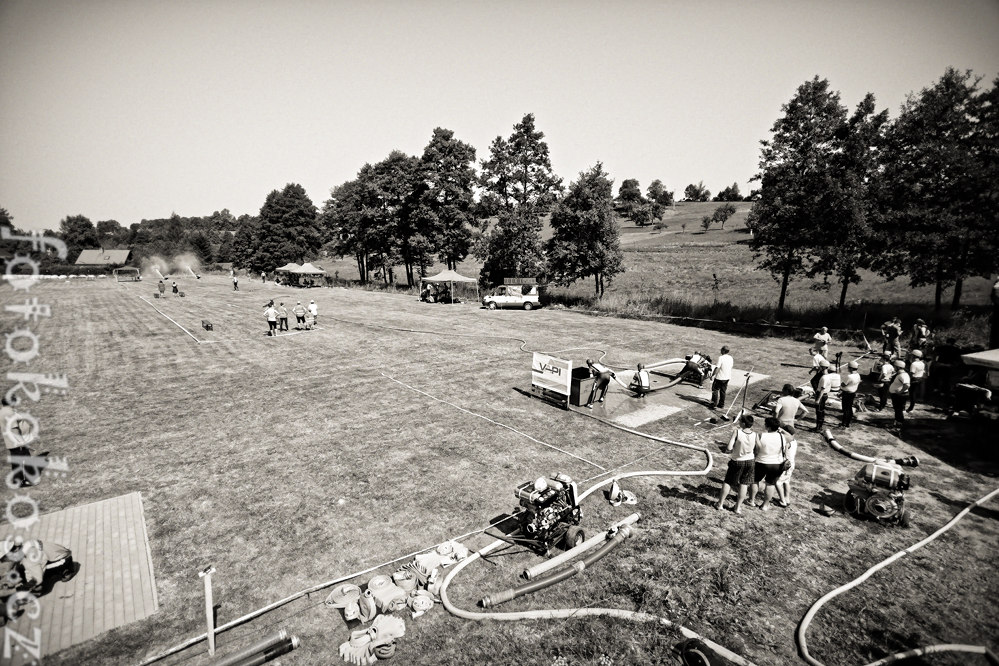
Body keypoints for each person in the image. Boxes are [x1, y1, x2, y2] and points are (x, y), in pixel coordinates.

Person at [716, 413, 757, 513]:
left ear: (743, 423)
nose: (738, 422)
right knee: (744, 484)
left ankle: (720, 504)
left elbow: (729, 448)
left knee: (728, 482)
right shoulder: (755, 434)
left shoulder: (737, 432)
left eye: (740, 421)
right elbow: (757, 448)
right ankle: (737, 508)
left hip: (737, 461)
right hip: (750, 461)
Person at [2, 396, 43, 488]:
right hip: (18, 443)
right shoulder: (10, 413)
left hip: (11, 442)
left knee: (17, 462)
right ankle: (27, 481)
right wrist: (24, 443)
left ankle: (17, 481)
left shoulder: (2, 412)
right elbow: (14, 429)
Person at [753, 416, 787, 510]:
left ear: (767, 426)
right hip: (777, 463)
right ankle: (765, 505)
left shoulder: (761, 435)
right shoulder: (782, 437)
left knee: (755, 481)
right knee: (770, 484)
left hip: (761, 461)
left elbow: (756, 449)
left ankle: (751, 500)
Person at [776, 424, 798, 506]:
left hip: (785, 464)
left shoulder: (787, 442)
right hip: (791, 464)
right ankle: (787, 498)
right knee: (786, 481)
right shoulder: (794, 441)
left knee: (777, 482)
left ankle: (782, 501)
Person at [888, 359, 910, 429]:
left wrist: (900, 391)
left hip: (900, 395)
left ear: (898, 367)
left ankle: (899, 424)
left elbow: (907, 385)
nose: (893, 368)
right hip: (898, 394)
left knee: (898, 410)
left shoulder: (903, 375)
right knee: (897, 409)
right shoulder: (901, 374)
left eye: (894, 366)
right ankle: (898, 422)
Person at [813, 361, 834, 431]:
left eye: (820, 366)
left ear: (823, 367)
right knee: (821, 411)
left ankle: (818, 428)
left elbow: (822, 389)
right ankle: (819, 427)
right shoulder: (828, 376)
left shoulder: (824, 378)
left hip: (821, 395)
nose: (819, 368)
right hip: (824, 395)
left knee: (819, 412)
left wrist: (818, 400)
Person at [841, 361, 861, 428]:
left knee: (846, 409)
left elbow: (843, 384)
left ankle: (844, 423)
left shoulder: (849, 376)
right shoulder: (858, 375)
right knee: (849, 408)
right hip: (852, 393)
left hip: (846, 394)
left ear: (851, 368)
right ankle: (848, 422)